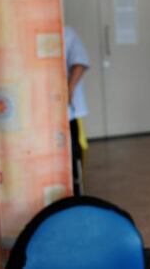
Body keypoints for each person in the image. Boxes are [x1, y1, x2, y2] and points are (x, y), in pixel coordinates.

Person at [64, 25, 90, 196]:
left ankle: (75, 194)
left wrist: (69, 89)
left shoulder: (66, 33)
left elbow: (79, 62)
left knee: (72, 155)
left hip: (68, 112)